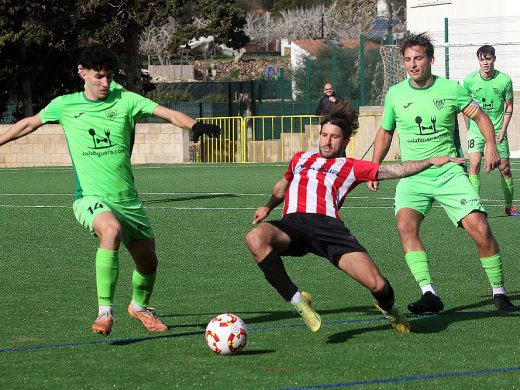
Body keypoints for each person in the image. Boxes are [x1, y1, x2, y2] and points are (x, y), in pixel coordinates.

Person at [0, 44, 220, 335]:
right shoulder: (65, 105)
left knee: (149, 263)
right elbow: (28, 124)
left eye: (108, 76)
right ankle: (105, 312)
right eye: (98, 76)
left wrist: (195, 125)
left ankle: (139, 307)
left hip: (128, 200)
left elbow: (164, 113)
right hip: (90, 198)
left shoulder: (126, 100)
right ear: (83, 73)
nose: (105, 83)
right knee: (111, 231)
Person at [245, 100, 466, 334]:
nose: (327, 141)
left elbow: (395, 170)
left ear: (345, 141)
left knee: (379, 285)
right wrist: (268, 205)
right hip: (293, 225)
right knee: (255, 238)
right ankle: (299, 301)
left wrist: (429, 161)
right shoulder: (300, 159)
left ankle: (389, 310)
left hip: (329, 230)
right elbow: (283, 185)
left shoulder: (351, 166)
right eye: (324, 135)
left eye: (335, 137)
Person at [368, 33, 517, 315]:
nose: (412, 64)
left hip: (449, 172)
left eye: (418, 58)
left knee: (481, 230)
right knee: (405, 226)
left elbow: (481, 117)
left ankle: (499, 292)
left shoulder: (451, 89)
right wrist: (374, 167)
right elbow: (386, 131)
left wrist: (491, 146)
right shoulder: (396, 94)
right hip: (413, 175)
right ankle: (429, 293)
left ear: (431, 60)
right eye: (408, 59)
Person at [463, 45, 519, 216]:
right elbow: (464, 106)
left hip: (497, 130)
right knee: (473, 164)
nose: (485, 63)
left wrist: (503, 130)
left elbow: (509, 106)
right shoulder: (470, 80)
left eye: (488, 58)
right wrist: (470, 127)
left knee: (505, 168)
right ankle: (474, 207)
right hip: (476, 129)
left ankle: (509, 207)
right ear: (478, 60)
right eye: (482, 59)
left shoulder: (504, 80)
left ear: (494, 59)